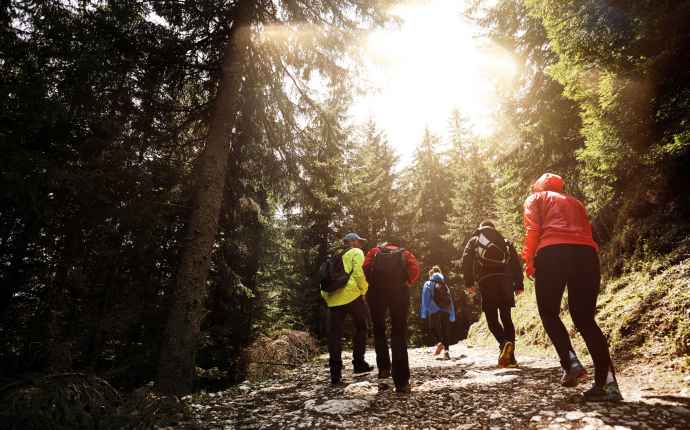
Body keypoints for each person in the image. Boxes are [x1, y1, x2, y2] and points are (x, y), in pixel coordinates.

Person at [523, 173, 622, 402]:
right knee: (585, 318)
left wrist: (528, 261)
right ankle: (608, 385)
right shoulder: (575, 202)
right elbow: (587, 230)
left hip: (552, 252)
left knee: (549, 312)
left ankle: (571, 363)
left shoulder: (535, 199)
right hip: (586, 254)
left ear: (539, 186)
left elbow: (532, 230)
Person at [461, 220, 524, 368]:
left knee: (492, 319)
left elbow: (466, 260)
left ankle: (503, 344)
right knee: (506, 318)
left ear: (481, 227)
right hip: (506, 282)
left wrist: (469, 282)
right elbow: (516, 262)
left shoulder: (475, 240)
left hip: (487, 281)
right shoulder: (505, 241)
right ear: (494, 229)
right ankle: (511, 359)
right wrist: (519, 284)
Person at [363, 238, 420, 393]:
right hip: (399, 292)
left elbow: (365, 268)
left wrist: (372, 283)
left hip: (376, 293)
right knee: (398, 332)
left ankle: (383, 368)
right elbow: (415, 269)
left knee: (379, 329)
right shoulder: (405, 253)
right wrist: (407, 282)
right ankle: (401, 381)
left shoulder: (374, 252)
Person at [321, 232, 373, 385]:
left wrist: (328, 299)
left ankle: (335, 374)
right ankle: (358, 364)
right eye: (359, 241)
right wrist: (364, 291)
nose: (361, 244)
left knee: (334, 336)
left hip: (333, 300)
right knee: (362, 327)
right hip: (352, 295)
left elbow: (323, 281)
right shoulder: (356, 252)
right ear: (353, 242)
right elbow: (359, 273)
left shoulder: (333, 256)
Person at [420, 270, 456, 360]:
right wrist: (452, 314)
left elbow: (425, 298)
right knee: (445, 330)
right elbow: (450, 300)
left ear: (430, 275)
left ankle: (439, 343)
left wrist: (424, 313)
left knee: (432, 328)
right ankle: (446, 352)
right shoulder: (444, 285)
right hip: (446, 309)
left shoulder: (428, 283)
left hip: (434, 309)